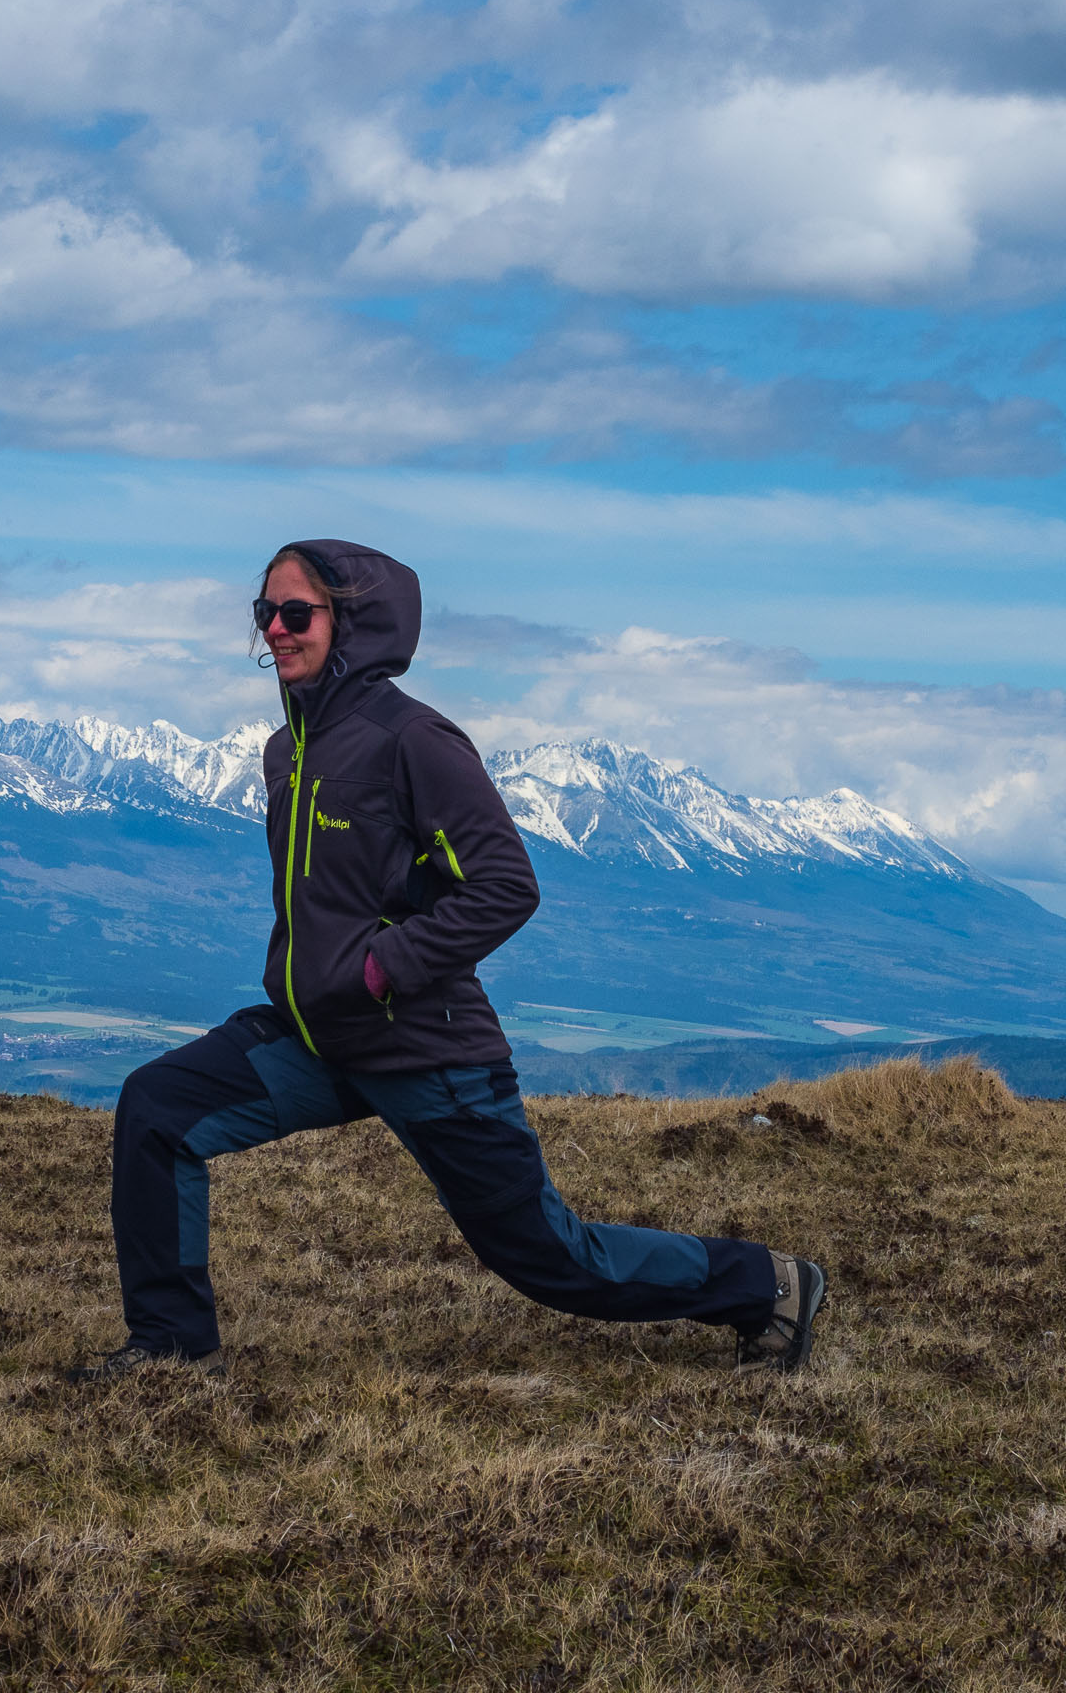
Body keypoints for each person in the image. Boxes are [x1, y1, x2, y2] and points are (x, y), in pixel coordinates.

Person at [69, 539, 826, 1383]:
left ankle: (769, 1284)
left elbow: (506, 885)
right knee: (156, 1108)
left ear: (351, 621)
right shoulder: (288, 751)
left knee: (553, 1261)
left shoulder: (414, 740)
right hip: (317, 1040)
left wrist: (380, 968)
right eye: (264, 614)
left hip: (421, 1048)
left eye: (296, 614)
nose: (275, 631)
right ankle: (174, 1345)